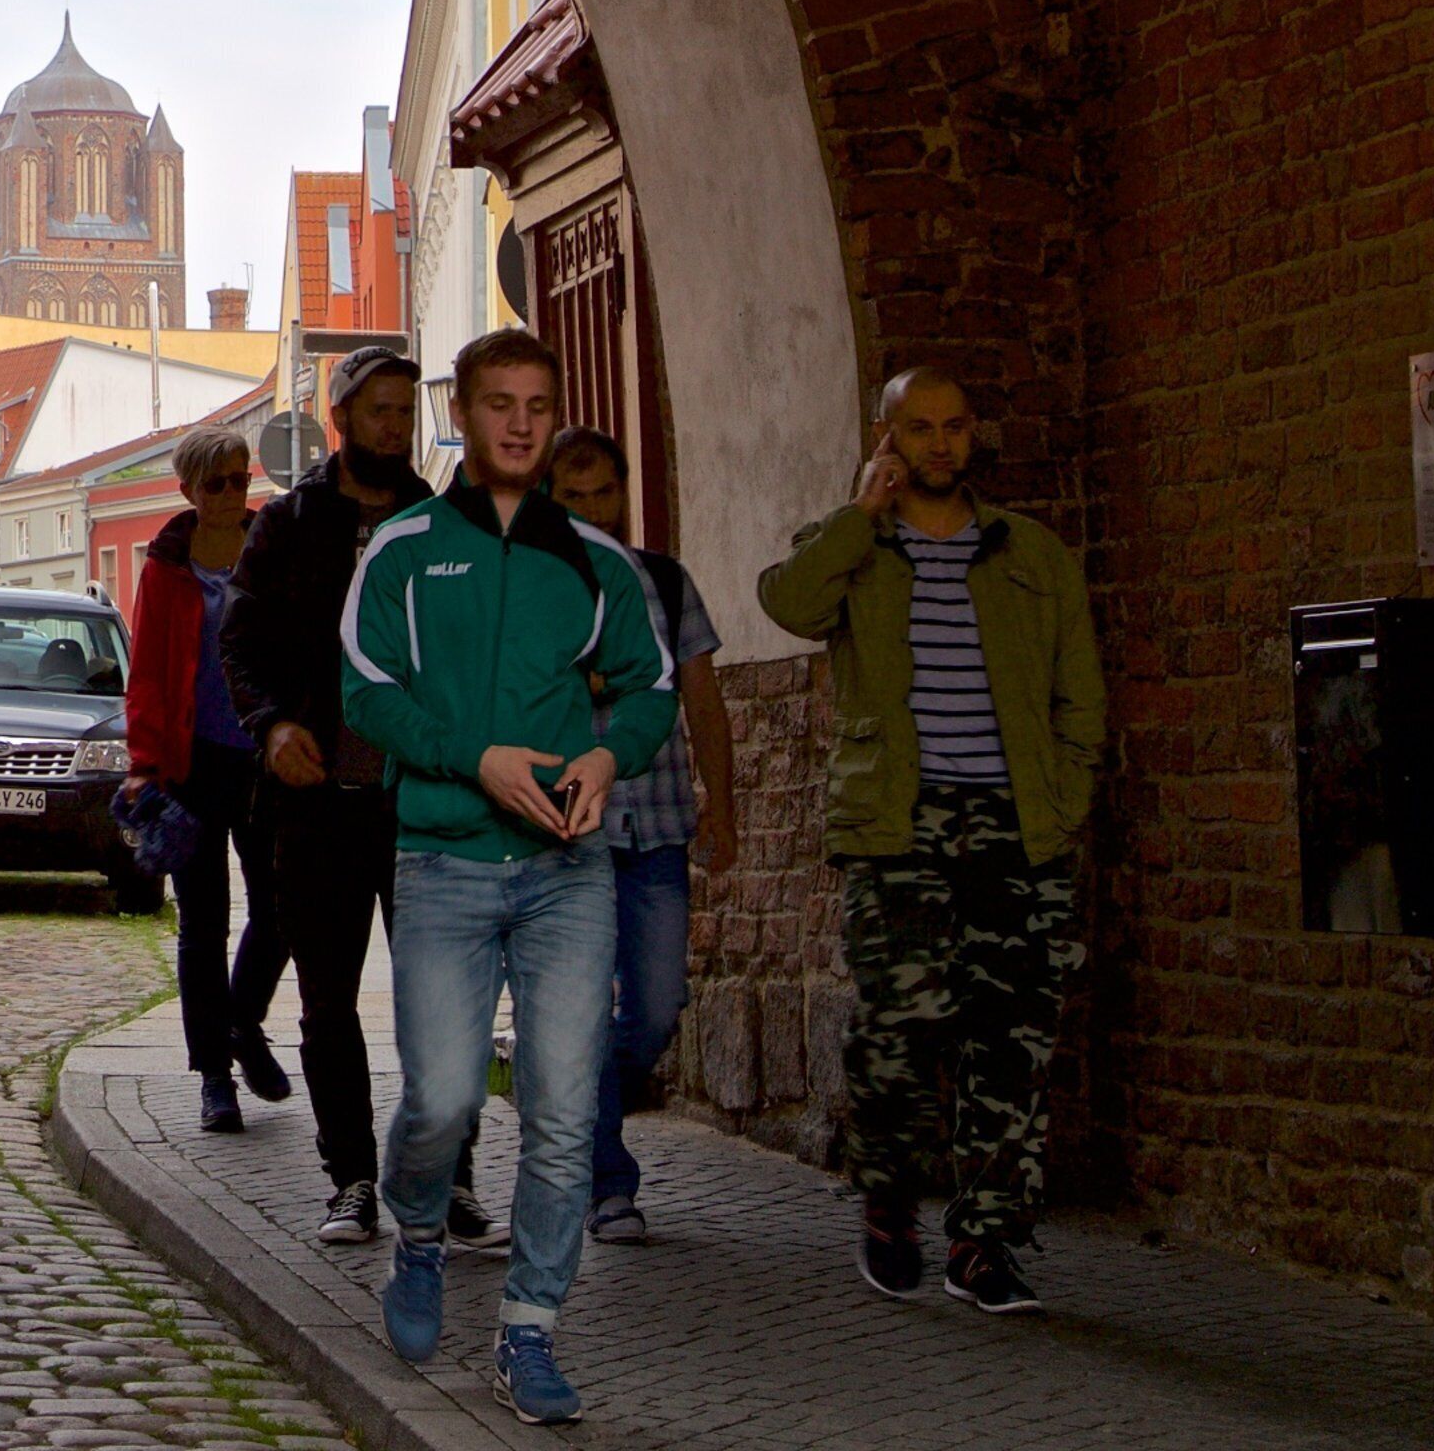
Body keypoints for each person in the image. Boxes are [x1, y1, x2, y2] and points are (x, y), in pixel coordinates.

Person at [341, 328, 674, 1426]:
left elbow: (652, 687)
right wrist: (468, 757)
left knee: (563, 1112)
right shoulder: (397, 550)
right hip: (440, 862)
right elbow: (366, 694)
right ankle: (422, 1234)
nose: (523, 423)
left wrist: (605, 754)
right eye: (500, 403)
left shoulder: (595, 561)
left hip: (565, 874)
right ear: (465, 414)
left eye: (538, 404)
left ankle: (530, 1329)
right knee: (439, 1100)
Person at [757, 367, 1101, 1316]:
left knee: (1013, 1038)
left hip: (1016, 826)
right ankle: (888, 1197)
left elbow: (1081, 692)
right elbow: (788, 602)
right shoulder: (853, 548)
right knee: (899, 1023)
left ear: (972, 436)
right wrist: (860, 516)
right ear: (886, 436)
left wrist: (1064, 801)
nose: (940, 445)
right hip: (897, 822)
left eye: (955, 428)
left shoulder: (1031, 552)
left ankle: (985, 1243)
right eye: (920, 429)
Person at [220, 347, 480, 1248]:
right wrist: (272, 725)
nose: (394, 426)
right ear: (342, 418)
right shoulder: (289, 525)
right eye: (378, 410)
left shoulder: (445, 524)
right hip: (317, 798)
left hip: (426, 804)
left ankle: (450, 1179)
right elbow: (241, 645)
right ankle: (353, 1178)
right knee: (329, 1000)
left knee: (442, 1000)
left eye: (406, 411)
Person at [543, 426, 737, 1245]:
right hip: (562, 833)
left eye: (603, 495)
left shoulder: (662, 580)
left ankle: (584, 1106)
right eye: (572, 497)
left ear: (625, 494)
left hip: (656, 822)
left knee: (656, 1008)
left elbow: (701, 694)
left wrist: (722, 802)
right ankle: (608, 1179)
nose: (590, 511)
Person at [122, 426, 294, 1135]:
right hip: (192, 764)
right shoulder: (166, 566)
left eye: (238, 479)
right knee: (202, 925)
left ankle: (243, 1023)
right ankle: (215, 1078)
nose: (230, 493)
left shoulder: (273, 550)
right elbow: (149, 676)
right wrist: (143, 766)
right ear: (188, 489)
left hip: (262, 759)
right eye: (215, 482)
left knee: (280, 908)